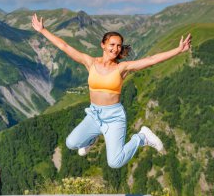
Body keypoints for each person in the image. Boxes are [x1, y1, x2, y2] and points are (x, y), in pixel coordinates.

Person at [31, 13, 192, 168]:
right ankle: (91, 140)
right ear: (103, 45)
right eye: (112, 44)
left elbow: (151, 60)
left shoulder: (122, 68)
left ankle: (142, 137)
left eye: (118, 46)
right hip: (94, 114)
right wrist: (43, 30)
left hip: (114, 117)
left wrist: (178, 50)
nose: (115, 49)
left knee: (115, 162)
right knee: (71, 143)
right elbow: (64, 46)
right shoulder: (90, 62)